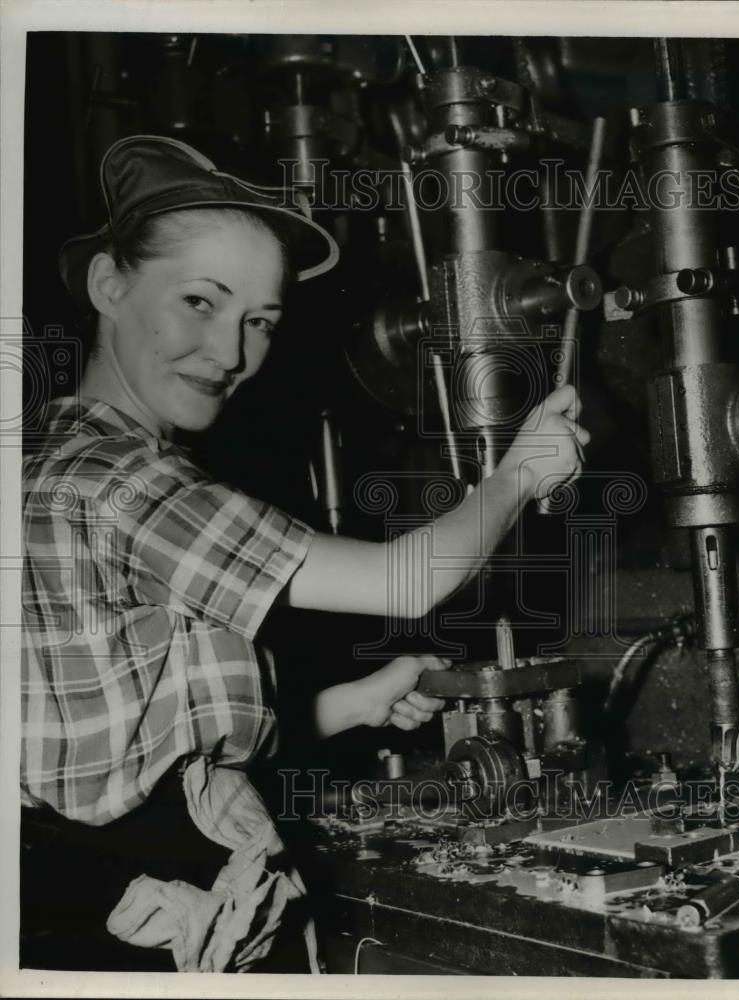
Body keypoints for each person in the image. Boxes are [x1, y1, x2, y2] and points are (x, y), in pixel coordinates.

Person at [21, 135, 589, 971]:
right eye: (200, 302)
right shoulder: (121, 480)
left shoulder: (48, 456)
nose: (231, 353)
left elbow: (145, 752)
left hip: (80, 884)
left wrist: (349, 705)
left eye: (259, 321)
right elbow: (403, 585)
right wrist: (517, 474)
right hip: (123, 908)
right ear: (110, 284)